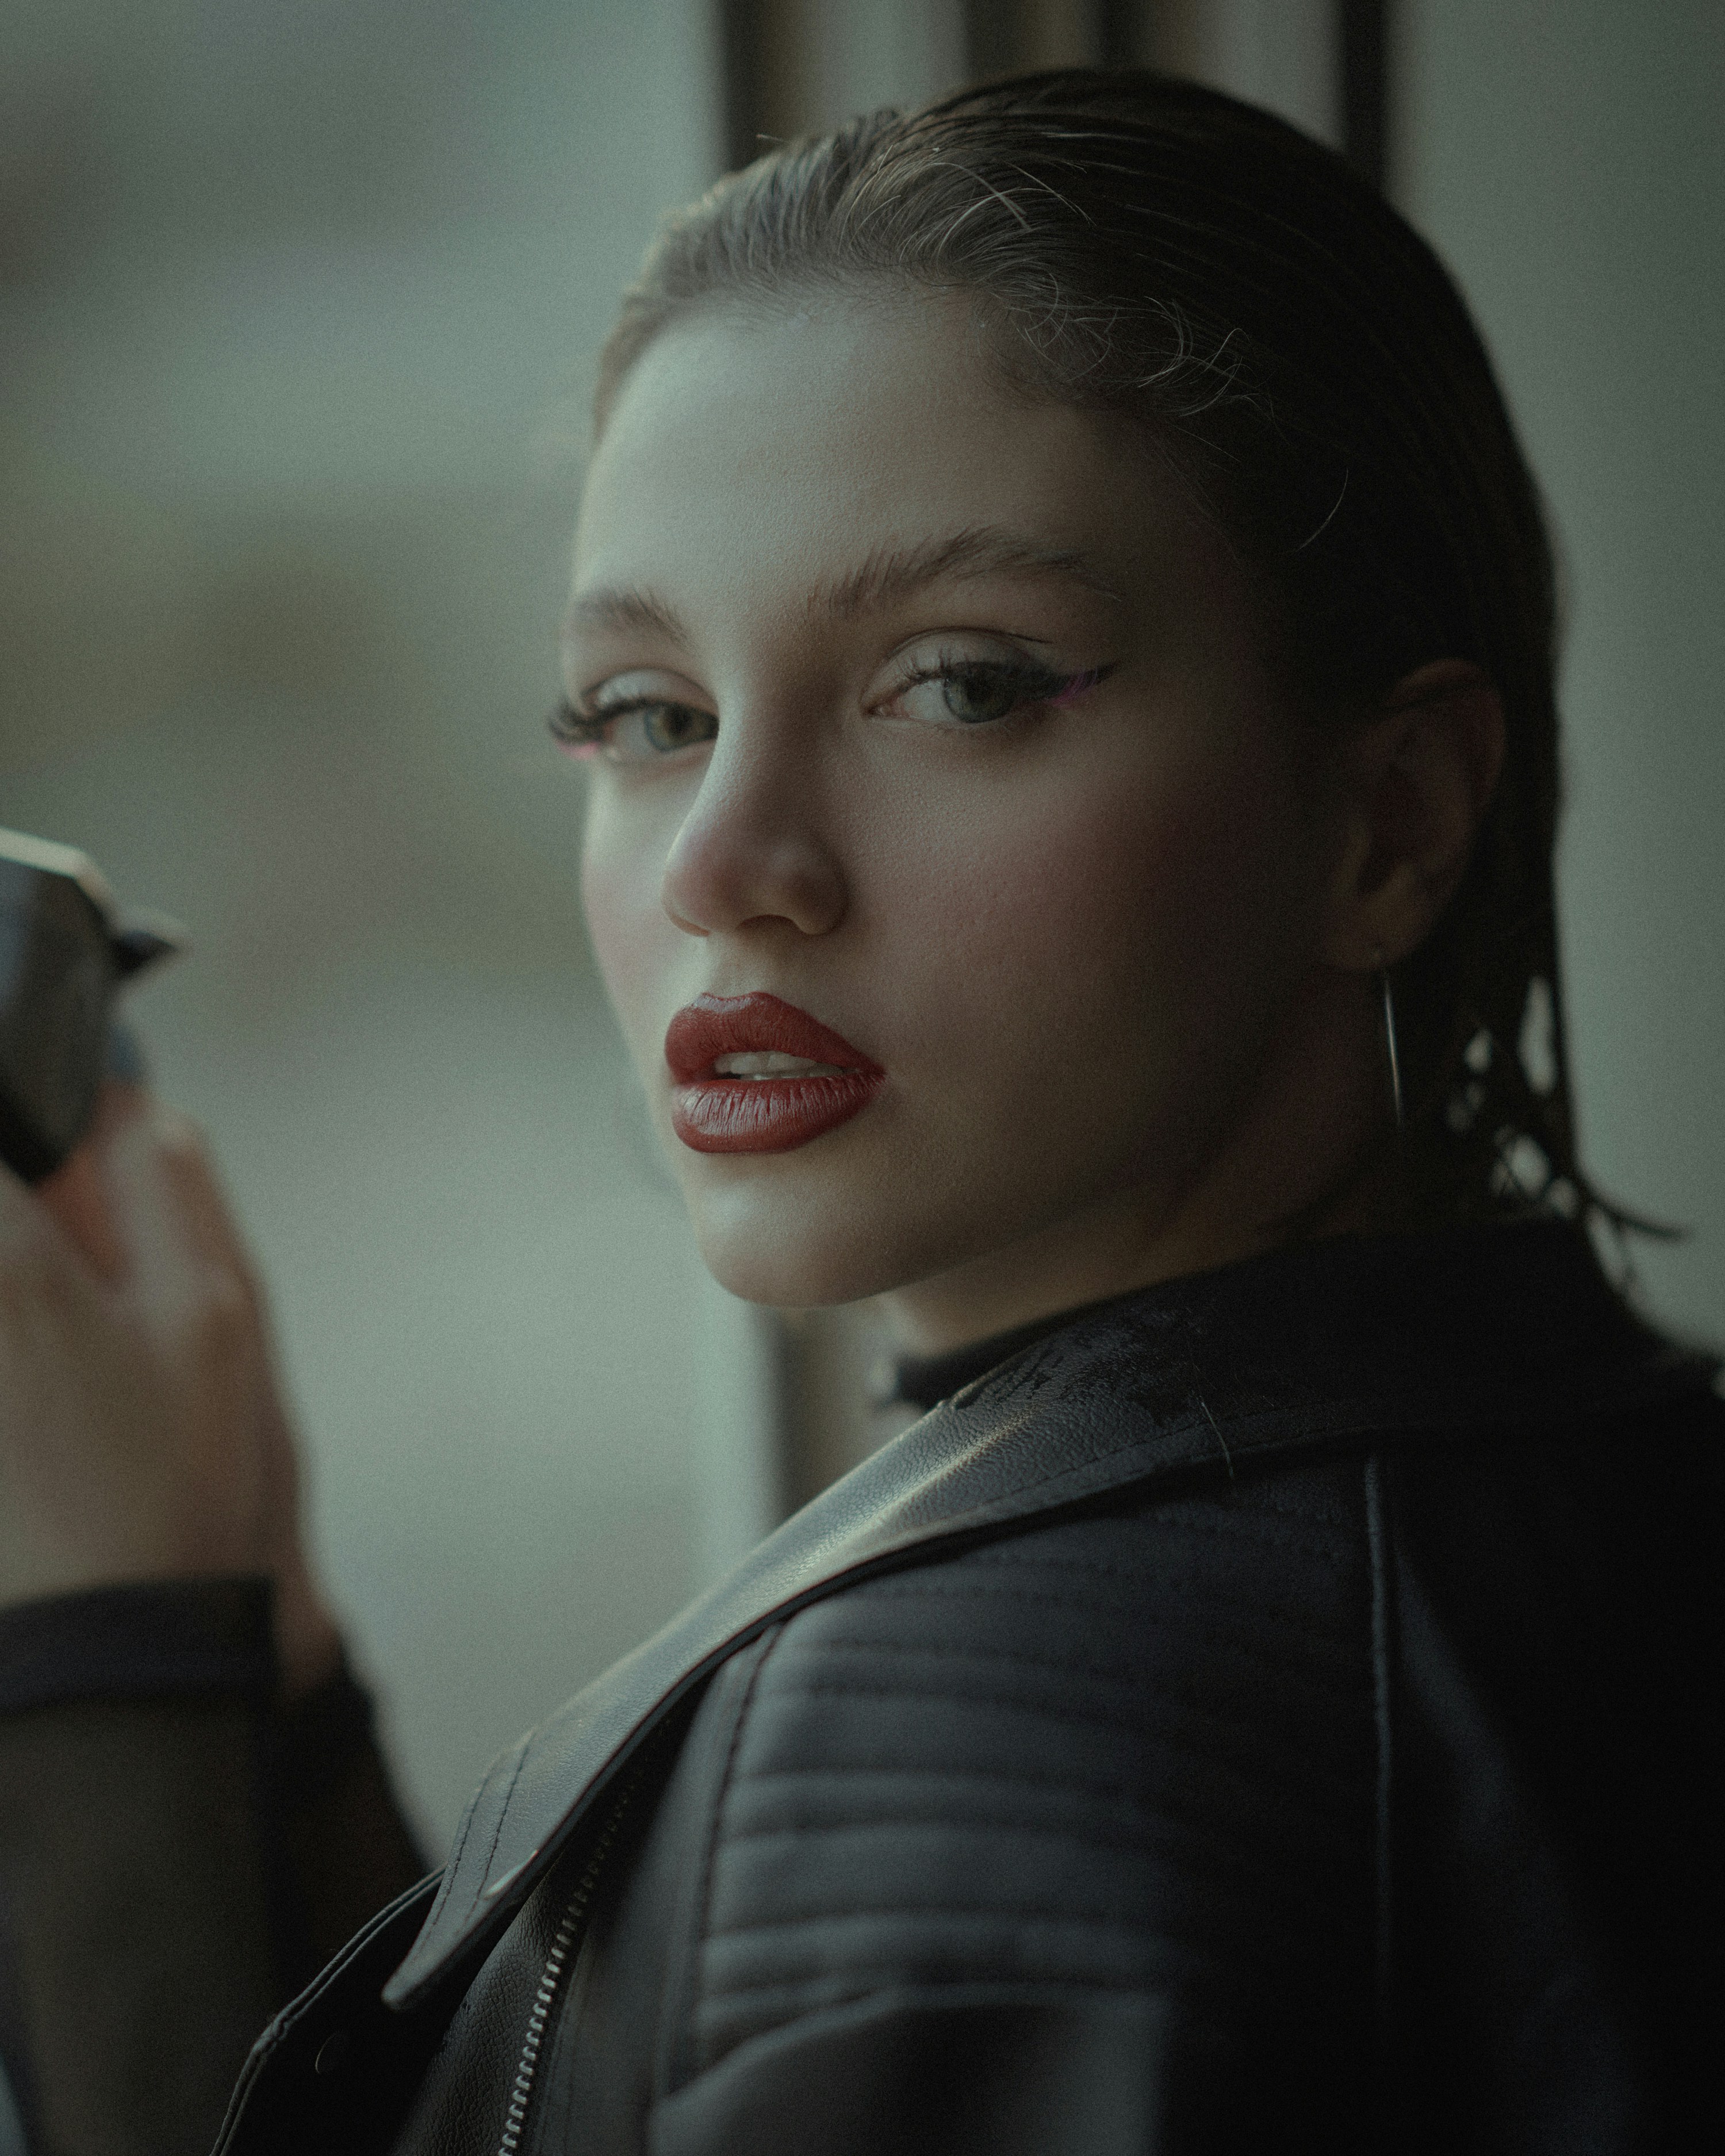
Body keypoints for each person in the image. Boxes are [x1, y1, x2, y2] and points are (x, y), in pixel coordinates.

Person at [0, 67, 1718, 2155]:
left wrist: (97, 1680)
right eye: (649, 715)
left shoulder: (976, 1748)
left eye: (964, 682)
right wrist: (244, 1669)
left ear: (1392, 818)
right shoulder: (1591, 1484)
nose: (725, 860)